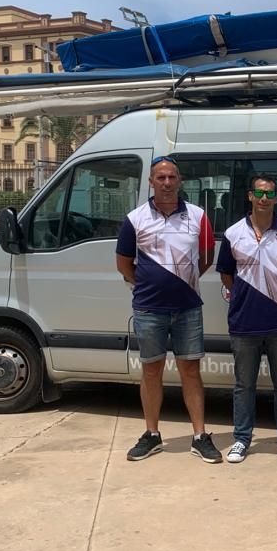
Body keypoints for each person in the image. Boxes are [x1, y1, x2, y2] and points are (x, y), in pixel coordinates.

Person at [116, 155, 222, 464]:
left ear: (180, 181)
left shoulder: (198, 216)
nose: (166, 182)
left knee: (191, 371)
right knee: (151, 371)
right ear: (150, 182)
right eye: (160, 178)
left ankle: (200, 436)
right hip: (149, 309)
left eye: (171, 177)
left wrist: (182, 282)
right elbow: (123, 263)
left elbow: (206, 257)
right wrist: (148, 284)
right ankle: (152, 435)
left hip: (188, 307)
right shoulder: (135, 219)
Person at [216, 174, 277, 465]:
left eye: (270, 193)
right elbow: (226, 275)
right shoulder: (233, 233)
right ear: (250, 196)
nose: (264, 198)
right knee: (244, 385)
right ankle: (242, 440)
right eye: (259, 192)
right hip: (244, 322)